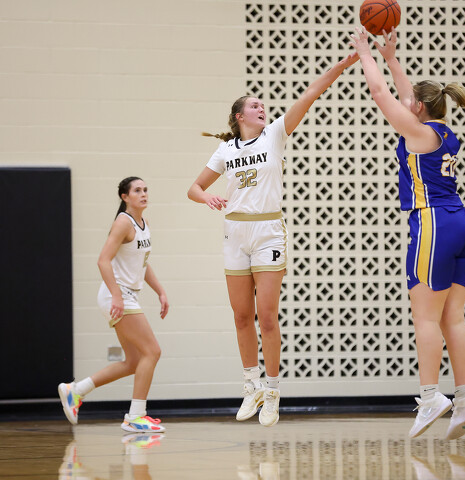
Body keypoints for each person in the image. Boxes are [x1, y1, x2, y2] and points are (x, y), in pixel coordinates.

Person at [187, 53, 358, 427]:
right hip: (235, 233)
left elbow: (310, 94)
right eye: (254, 105)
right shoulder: (226, 150)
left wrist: (341, 66)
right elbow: (193, 188)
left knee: (266, 315)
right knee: (241, 316)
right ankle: (251, 386)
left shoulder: (275, 134)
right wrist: (207, 197)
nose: (261, 108)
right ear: (239, 117)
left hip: (268, 232)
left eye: (262, 104)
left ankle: (273, 391)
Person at [350, 27, 465, 439]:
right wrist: (392, 58)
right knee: (452, 318)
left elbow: (380, 94)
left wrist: (365, 52)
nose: (405, 101)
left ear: (420, 108)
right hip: (461, 223)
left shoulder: (419, 134)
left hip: (433, 223)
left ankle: (430, 396)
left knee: (424, 316)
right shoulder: (443, 132)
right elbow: (407, 95)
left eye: (411, 102)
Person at [58, 176, 169, 433]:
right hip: (117, 296)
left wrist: (161, 291)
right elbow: (103, 261)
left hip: (126, 295)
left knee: (134, 361)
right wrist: (117, 295)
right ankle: (136, 416)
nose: (143, 194)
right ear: (124, 197)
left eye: (145, 189)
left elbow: (142, 264)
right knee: (152, 352)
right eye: (137, 190)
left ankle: (76, 390)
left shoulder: (144, 224)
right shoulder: (123, 222)